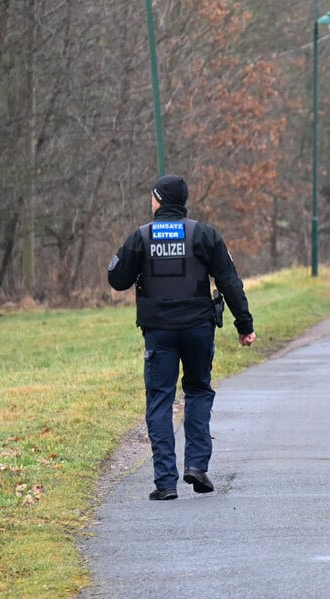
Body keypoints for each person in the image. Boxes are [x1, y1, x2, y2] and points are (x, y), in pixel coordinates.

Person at [108, 175, 256, 501]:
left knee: (160, 398)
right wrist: (244, 325)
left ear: (158, 200)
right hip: (198, 329)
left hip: (159, 333)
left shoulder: (142, 237)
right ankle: (197, 466)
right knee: (198, 390)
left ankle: (164, 483)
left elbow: (117, 280)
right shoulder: (204, 234)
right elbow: (230, 281)